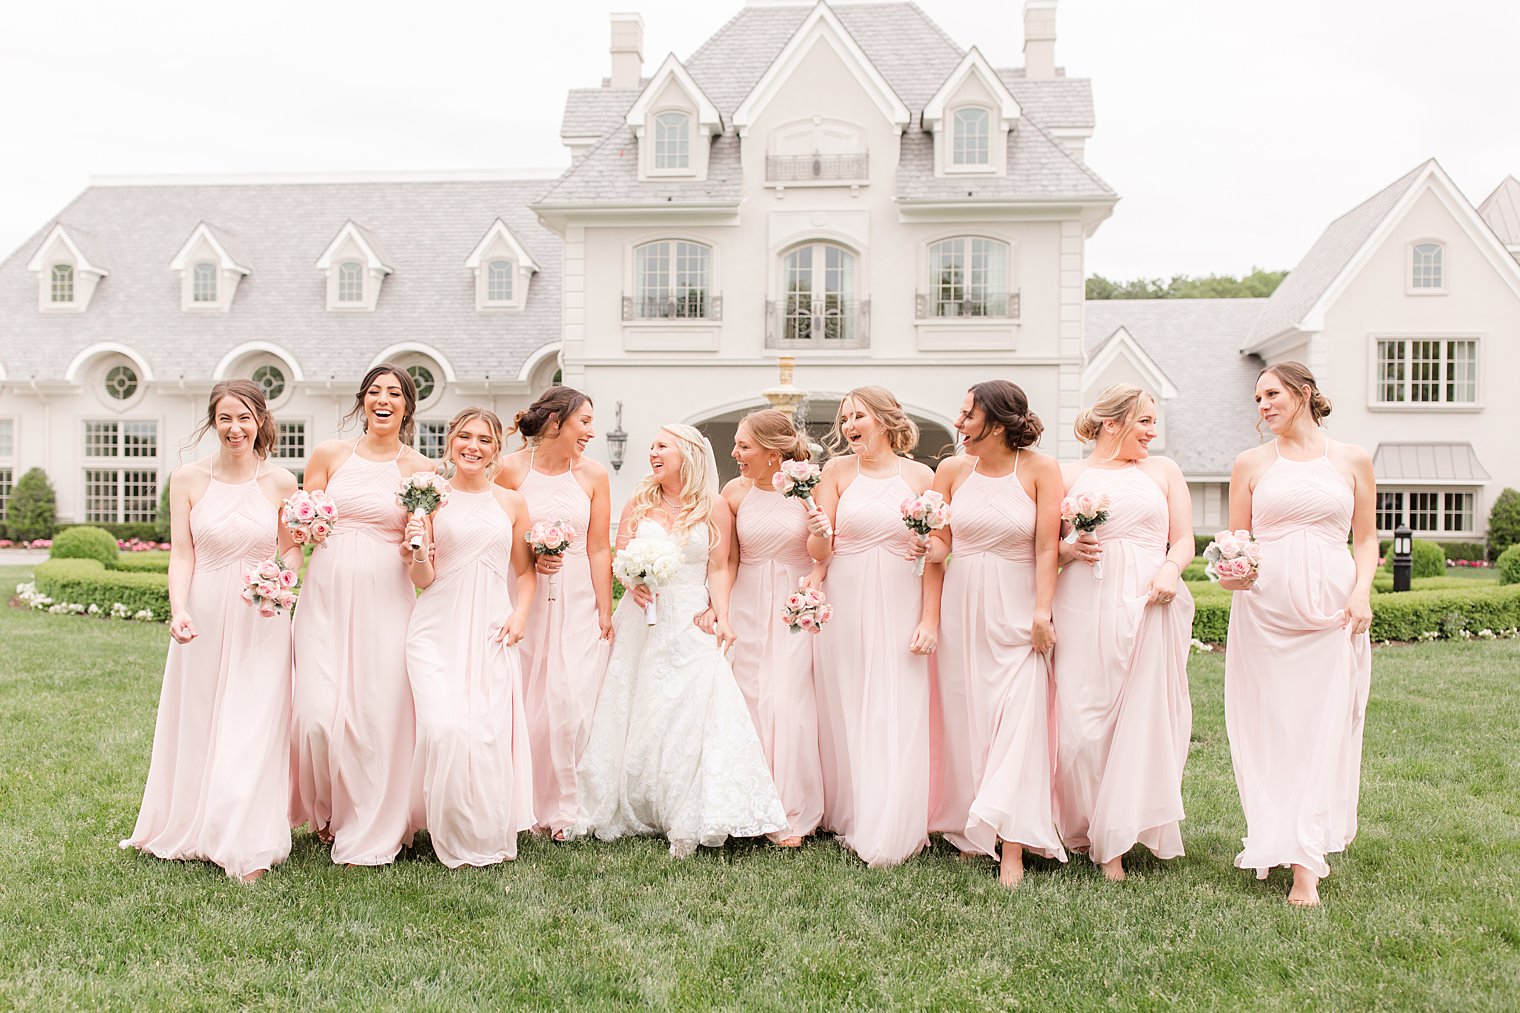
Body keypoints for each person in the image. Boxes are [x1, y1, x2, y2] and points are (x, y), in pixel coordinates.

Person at [572, 424, 787, 856]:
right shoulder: (640, 500)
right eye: (650, 445)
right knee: (643, 704)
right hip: (642, 619)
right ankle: (642, 797)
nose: (652, 452)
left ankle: (695, 805)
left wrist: (720, 613)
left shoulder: (714, 505)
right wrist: (631, 583)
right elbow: (619, 555)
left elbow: (721, 566)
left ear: (687, 454)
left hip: (691, 617)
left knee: (698, 706)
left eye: (661, 446)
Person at [121, 380, 299, 881]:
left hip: (262, 613)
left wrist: (281, 584)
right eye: (225, 418)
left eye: (244, 418)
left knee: (253, 721)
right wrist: (179, 608)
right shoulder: (188, 480)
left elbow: (290, 549)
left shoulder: (282, 483)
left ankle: (245, 839)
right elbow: (183, 553)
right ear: (212, 422)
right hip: (204, 612)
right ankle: (192, 825)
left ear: (261, 421)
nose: (235, 428)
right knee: (199, 716)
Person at [1222, 361, 1376, 907]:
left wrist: (1361, 593)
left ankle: (1306, 861)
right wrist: (1230, 570)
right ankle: (1275, 832)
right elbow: (1238, 541)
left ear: (1304, 393)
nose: (1262, 405)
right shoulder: (1251, 463)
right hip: (1265, 613)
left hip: (1333, 614)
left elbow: (1366, 540)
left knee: (1323, 727)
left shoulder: (1352, 458)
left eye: (1271, 394)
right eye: (1257, 398)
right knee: (1273, 728)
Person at [292, 364, 435, 866]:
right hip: (325, 595)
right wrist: (303, 535)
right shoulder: (329, 455)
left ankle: (372, 820)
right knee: (317, 715)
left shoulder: (422, 469)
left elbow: (423, 557)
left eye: (394, 393)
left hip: (385, 600)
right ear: (362, 401)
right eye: (375, 391)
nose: (384, 399)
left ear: (406, 407)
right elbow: (298, 529)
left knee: (377, 715)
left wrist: (415, 549)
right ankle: (326, 807)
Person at [1052, 383, 1194, 881]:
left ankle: (1117, 839)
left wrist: (1170, 571)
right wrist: (1070, 549)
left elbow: (1184, 540)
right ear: (1112, 424)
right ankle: (1083, 825)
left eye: (1154, 423)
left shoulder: (1164, 471)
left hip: (1150, 601)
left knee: (1142, 718)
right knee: (1080, 723)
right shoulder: (1068, 475)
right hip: (1083, 602)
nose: (1153, 433)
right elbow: (1043, 548)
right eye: (1145, 422)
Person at [927, 381, 1066, 888]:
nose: (959, 423)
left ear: (999, 420)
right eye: (960, 413)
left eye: (968, 414)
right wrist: (925, 547)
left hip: (1017, 603)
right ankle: (977, 828)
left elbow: (1047, 549)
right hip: (964, 605)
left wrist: (1042, 611)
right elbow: (941, 548)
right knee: (971, 718)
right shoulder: (950, 471)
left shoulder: (1040, 469)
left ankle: (1013, 844)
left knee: (1020, 718)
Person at [811, 386, 938, 868]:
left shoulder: (921, 475)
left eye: (857, 416)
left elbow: (936, 552)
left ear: (884, 419)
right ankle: (857, 811)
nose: (847, 426)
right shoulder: (836, 472)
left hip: (902, 594)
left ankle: (895, 817)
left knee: (897, 702)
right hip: (847, 596)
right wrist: (820, 534)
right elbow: (820, 551)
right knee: (851, 700)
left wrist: (930, 616)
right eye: (843, 419)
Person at [405, 408, 537, 868]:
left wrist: (520, 615)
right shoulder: (429, 501)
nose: (473, 446)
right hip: (435, 627)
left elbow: (525, 573)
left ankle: (480, 830)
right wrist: (417, 549)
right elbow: (423, 578)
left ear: (495, 450)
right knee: (444, 728)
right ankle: (443, 824)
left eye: (483, 439)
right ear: (450, 442)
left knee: (485, 733)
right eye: (464, 437)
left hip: (492, 628)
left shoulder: (511, 503)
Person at [494, 386, 613, 840]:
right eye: (584, 421)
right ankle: (518, 803)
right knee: (523, 700)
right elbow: (492, 532)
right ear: (554, 422)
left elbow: (599, 545)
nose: (591, 431)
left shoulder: (594, 475)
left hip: (578, 594)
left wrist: (605, 609)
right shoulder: (509, 470)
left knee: (570, 701)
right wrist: (530, 555)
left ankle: (565, 807)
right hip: (522, 594)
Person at [718, 408, 829, 847]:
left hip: (792, 606)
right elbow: (726, 559)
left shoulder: (807, 486)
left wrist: (820, 527)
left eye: (744, 446)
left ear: (771, 452)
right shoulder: (733, 492)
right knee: (746, 700)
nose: (736, 453)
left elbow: (821, 554)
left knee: (788, 702)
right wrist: (720, 610)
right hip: (746, 604)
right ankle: (746, 807)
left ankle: (790, 811)